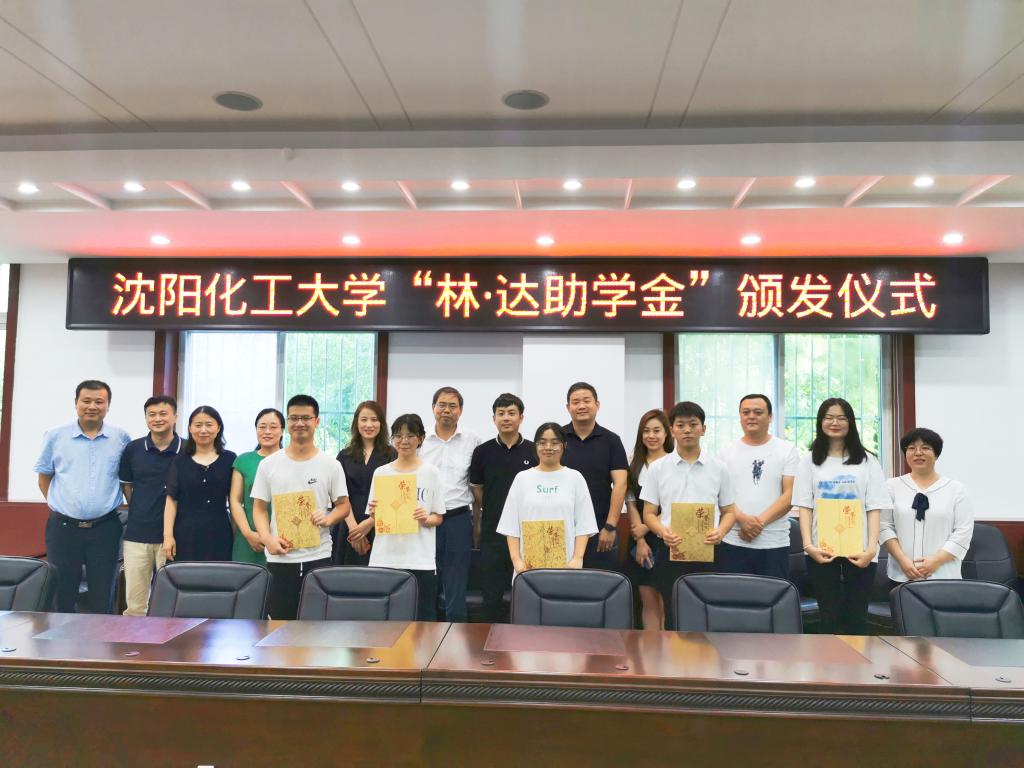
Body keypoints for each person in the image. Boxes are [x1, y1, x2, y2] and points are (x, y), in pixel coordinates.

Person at [792, 397, 889, 635]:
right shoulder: (809, 461)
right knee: (829, 616)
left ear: (850, 422)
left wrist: (871, 549)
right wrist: (808, 546)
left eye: (841, 418)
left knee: (857, 617)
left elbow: (874, 507)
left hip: (860, 551)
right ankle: (829, 660)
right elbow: (805, 506)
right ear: (820, 422)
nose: (834, 422)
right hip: (821, 550)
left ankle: (858, 660)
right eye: (829, 417)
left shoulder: (868, 461)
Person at [251, 395, 352, 620]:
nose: (299, 423)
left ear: (316, 421)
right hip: (280, 556)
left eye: (306, 418)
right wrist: (267, 539)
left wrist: (328, 519)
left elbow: (343, 506)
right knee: (280, 621)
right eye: (294, 418)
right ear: (287, 422)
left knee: (317, 622)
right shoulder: (268, 465)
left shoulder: (331, 464)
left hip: (319, 554)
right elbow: (259, 508)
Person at [34, 380, 131, 613]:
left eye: (99, 401)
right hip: (64, 528)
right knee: (62, 593)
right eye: (86, 401)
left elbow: (126, 480)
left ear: (108, 406)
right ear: (76, 403)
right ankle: (61, 637)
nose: (92, 406)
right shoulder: (55, 436)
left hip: (105, 528)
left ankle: (99, 637)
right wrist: (66, 505)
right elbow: (44, 477)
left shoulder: (121, 438)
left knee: (102, 594)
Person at [641, 401, 736, 630]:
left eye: (693, 424)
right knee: (674, 614)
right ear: (672, 430)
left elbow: (729, 512)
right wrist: (662, 532)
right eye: (681, 425)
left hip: (710, 550)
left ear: (703, 429)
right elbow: (649, 514)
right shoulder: (658, 468)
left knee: (709, 613)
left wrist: (721, 531)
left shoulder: (719, 468)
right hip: (671, 550)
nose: (687, 430)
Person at [350, 413, 446, 622]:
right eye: (398, 436)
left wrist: (425, 519)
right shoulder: (381, 473)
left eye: (410, 435)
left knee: (422, 622)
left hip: (420, 559)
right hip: (385, 557)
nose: (404, 441)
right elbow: (375, 516)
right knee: (384, 621)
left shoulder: (431, 473)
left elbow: (438, 517)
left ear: (421, 438)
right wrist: (374, 513)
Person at [470, 393, 537, 622]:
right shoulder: (482, 452)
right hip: (494, 531)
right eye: (501, 414)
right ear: (494, 418)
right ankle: (492, 639)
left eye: (511, 413)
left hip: (529, 532)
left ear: (521, 417)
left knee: (528, 589)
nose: (506, 418)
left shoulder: (534, 450)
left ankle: (527, 637)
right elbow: (477, 491)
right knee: (491, 594)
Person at [717, 394, 800, 579]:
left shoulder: (787, 450)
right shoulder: (726, 452)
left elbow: (790, 494)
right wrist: (742, 519)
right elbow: (720, 494)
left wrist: (758, 523)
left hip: (774, 543)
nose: (751, 416)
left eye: (758, 412)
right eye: (746, 412)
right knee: (734, 596)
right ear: (740, 416)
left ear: (770, 417)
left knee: (773, 596)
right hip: (733, 540)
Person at [498, 422, 597, 576]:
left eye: (554, 442)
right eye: (542, 442)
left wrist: (577, 558)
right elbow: (510, 524)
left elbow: (585, 523)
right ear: (536, 446)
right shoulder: (522, 478)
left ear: (564, 446)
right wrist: (517, 560)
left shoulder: (575, 478)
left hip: (567, 566)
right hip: (527, 568)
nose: (548, 447)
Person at [881, 427, 974, 584]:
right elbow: (884, 526)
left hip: (943, 575)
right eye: (912, 448)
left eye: (925, 448)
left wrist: (936, 561)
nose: (918, 453)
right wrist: (903, 560)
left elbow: (963, 532)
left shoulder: (956, 489)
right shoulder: (891, 486)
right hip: (901, 574)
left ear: (936, 454)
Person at [419, 386, 481, 622]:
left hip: (458, 519)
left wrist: (477, 523)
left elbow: (476, 484)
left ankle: (456, 633)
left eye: (452, 406)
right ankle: (426, 633)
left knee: (457, 582)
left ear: (460, 410)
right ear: (433, 408)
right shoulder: (420, 439)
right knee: (427, 579)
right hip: (424, 520)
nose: (446, 410)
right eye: (442, 405)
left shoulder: (473, 441)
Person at [118, 395, 182, 615]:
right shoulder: (133, 449)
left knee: (171, 605)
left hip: (174, 537)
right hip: (137, 535)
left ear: (175, 417)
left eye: (163, 414)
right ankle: (134, 638)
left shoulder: (187, 449)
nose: (157, 419)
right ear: (146, 418)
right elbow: (127, 487)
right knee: (135, 605)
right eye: (151, 414)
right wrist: (140, 508)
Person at [561, 382, 628, 570]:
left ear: (597, 405)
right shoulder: (558, 439)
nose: (581, 406)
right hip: (562, 526)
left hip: (600, 528)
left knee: (600, 582)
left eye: (586, 401)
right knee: (560, 581)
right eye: (575, 402)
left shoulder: (611, 440)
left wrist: (610, 526)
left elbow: (621, 484)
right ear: (568, 407)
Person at [163, 406, 236, 563]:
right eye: (198, 425)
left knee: (219, 575)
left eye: (209, 425)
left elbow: (234, 501)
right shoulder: (179, 460)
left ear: (218, 428)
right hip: (185, 533)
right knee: (185, 576)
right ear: (190, 428)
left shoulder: (230, 459)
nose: (203, 430)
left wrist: (239, 534)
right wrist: (168, 536)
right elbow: (171, 501)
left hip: (219, 532)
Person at [624, 409, 672, 630]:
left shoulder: (674, 462)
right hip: (640, 541)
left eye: (656, 430)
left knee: (665, 601)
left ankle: (666, 649)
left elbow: (674, 504)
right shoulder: (634, 462)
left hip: (667, 536)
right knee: (647, 599)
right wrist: (640, 537)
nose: (651, 436)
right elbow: (631, 501)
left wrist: (647, 526)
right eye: (646, 431)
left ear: (667, 433)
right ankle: (651, 648)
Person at [335, 400, 396, 566]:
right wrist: (355, 531)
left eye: (374, 420)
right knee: (347, 575)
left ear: (381, 423)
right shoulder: (344, 455)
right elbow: (339, 495)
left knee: (378, 576)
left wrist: (369, 523)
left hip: (381, 525)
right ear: (356, 423)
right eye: (364, 419)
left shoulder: (391, 454)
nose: (369, 425)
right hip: (348, 525)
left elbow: (394, 496)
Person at [229, 408, 284, 565]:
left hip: (283, 537)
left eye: (273, 427)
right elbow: (235, 501)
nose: (267, 431)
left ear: (282, 430)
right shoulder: (243, 461)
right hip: (249, 537)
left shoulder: (291, 459)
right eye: (262, 427)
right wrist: (248, 534)